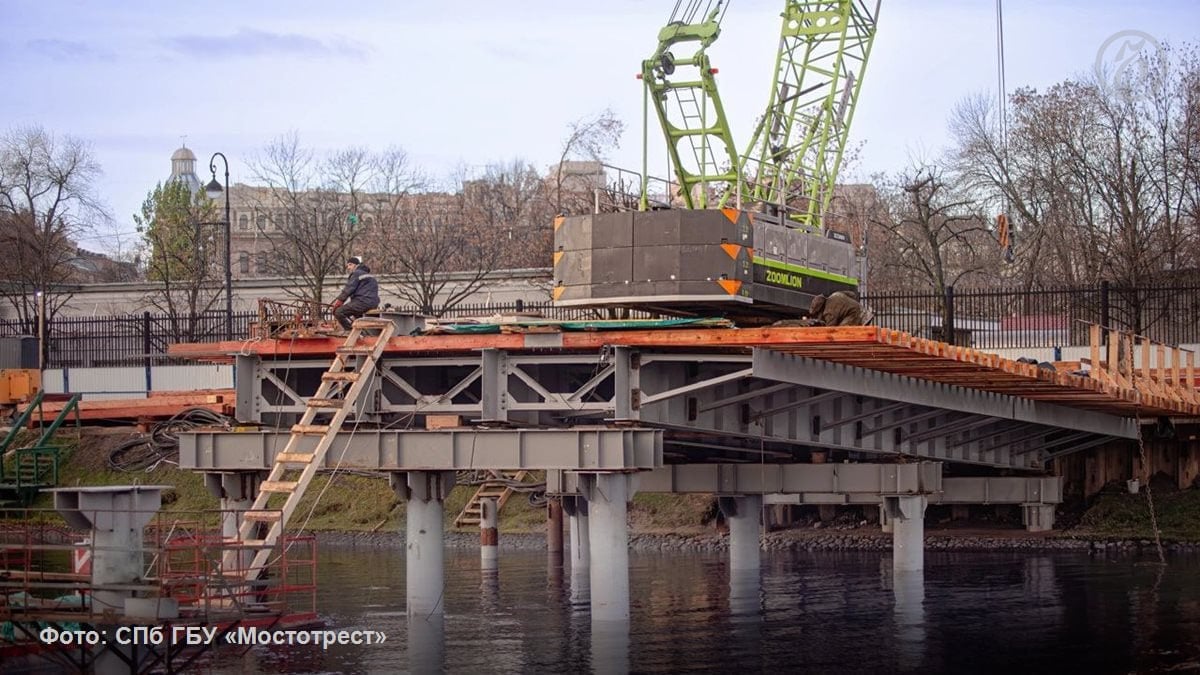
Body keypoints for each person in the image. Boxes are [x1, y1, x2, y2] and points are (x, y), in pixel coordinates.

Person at [331, 256, 380, 330]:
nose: (348, 267)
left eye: (350, 264)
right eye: (347, 265)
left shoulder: (357, 273)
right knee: (356, 317)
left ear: (356, 265)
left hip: (362, 302)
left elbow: (349, 289)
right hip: (373, 303)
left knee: (339, 312)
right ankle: (361, 334)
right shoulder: (370, 276)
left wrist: (339, 302)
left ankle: (350, 333)